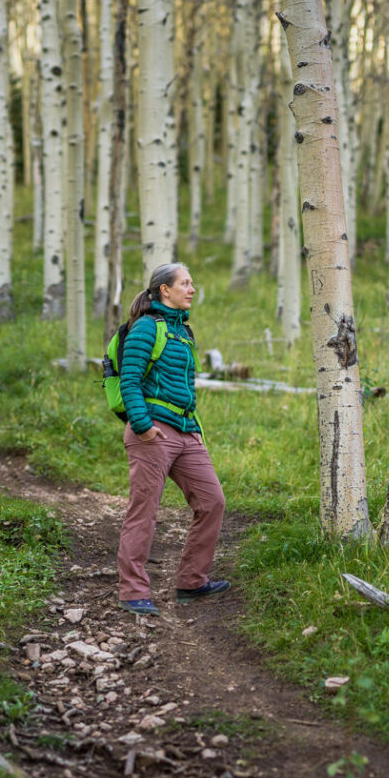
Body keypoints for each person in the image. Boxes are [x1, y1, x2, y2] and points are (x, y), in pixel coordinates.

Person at [116, 262, 230, 615]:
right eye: (185, 283)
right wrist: (143, 424)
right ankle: (133, 592)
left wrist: (192, 427)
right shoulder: (147, 328)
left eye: (192, 283)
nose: (192, 289)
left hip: (186, 430)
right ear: (164, 290)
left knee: (212, 501)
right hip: (152, 432)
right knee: (144, 512)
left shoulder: (184, 331)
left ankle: (192, 582)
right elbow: (130, 381)